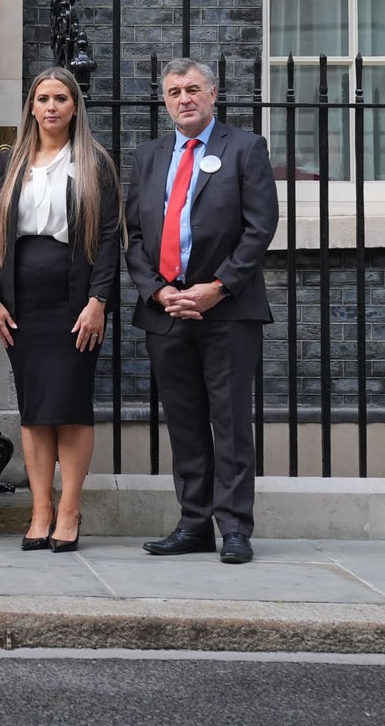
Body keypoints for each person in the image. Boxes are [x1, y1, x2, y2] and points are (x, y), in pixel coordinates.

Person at [125, 58, 279, 566]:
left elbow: (260, 228)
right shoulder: (148, 156)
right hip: (167, 311)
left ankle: (234, 527)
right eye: (174, 92)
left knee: (229, 421)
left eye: (193, 89)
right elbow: (138, 236)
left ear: (213, 95)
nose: (184, 98)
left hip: (227, 311)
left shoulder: (245, 148)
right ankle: (193, 523)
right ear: (165, 101)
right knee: (186, 422)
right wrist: (156, 290)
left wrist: (219, 287)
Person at [0, 66, 120, 554]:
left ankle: (69, 509)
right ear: (32, 107)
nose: (52, 107)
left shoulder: (93, 161)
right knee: (35, 409)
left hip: (74, 301)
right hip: (22, 303)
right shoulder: (10, 162)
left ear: (75, 106)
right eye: (43, 98)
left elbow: (107, 239)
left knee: (71, 406)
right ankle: (39, 509)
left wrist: (98, 301)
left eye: (61, 98)